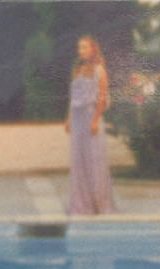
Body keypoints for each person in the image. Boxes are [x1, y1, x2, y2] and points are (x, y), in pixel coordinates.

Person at [65, 35, 116, 215]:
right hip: (77, 119)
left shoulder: (99, 70)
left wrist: (95, 120)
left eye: (84, 47)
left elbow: (101, 97)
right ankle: (82, 204)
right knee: (79, 161)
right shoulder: (78, 69)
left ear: (93, 49)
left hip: (91, 116)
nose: (81, 51)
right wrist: (68, 118)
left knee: (94, 160)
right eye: (79, 48)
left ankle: (98, 204)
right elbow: (74, 97)